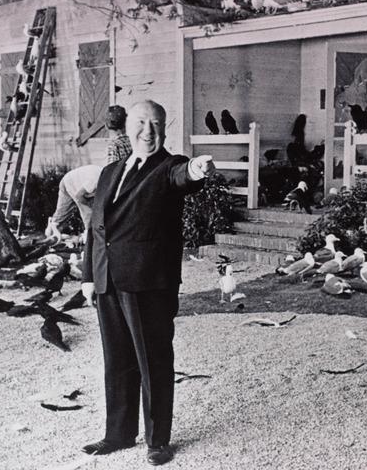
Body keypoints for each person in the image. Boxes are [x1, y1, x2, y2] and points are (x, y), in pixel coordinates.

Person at [81, 100, 215, 465]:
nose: (148, 131)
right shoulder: (110, 171)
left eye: (156, 124)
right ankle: (118, 434)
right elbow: (96, 227)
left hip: (149, 282)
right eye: (141, 123)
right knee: (117, 361)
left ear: (164, 130)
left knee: (153, 362)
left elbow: (183, 175)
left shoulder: (168, 167)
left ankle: (158, 441)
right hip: (108, 279)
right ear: (127, 127)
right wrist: (89, 276)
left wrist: (196, 169)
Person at [45, 165, 103, 240]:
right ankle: (88, 237)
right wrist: (89, 205)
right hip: (71, 183)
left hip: (73, 181)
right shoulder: (95, 181)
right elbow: (79, 196)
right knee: (87, 212)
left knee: (62, 210)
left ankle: (52, 226)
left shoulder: (106, 177)